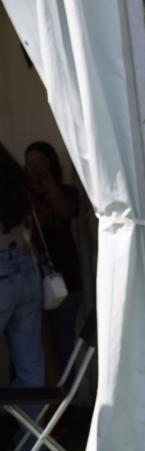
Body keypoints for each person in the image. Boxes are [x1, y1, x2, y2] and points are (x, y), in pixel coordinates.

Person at [25, 141, 84, 383]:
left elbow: (65, 212)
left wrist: (48, 183)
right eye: (30, 162)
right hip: (30, 276)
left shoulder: (68, 191)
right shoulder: (22, 196)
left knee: (62, 340)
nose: (35, 167)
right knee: (35, 344)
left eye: (40, 161)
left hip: (64, 276)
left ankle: (67, 398)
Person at [1, 144, 45, 421]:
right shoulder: (14, 177)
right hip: (25, 270)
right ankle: (33, 446)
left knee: (30, 366)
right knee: (30, 366)